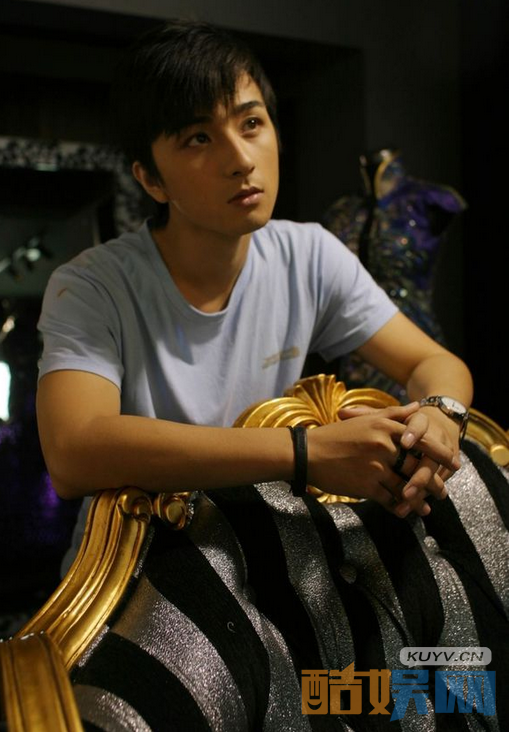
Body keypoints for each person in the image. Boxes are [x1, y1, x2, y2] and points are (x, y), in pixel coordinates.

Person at [34, 21, 508, 731]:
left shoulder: (306, 255)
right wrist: (305, 452)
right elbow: (74, 450)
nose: (239, 159)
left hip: (266, 554)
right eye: (198, 138)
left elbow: (431, 363)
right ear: (150, 178)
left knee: (433, 689)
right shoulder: (93, 284)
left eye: (250, 123)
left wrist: (438, 413)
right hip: (141, 570)